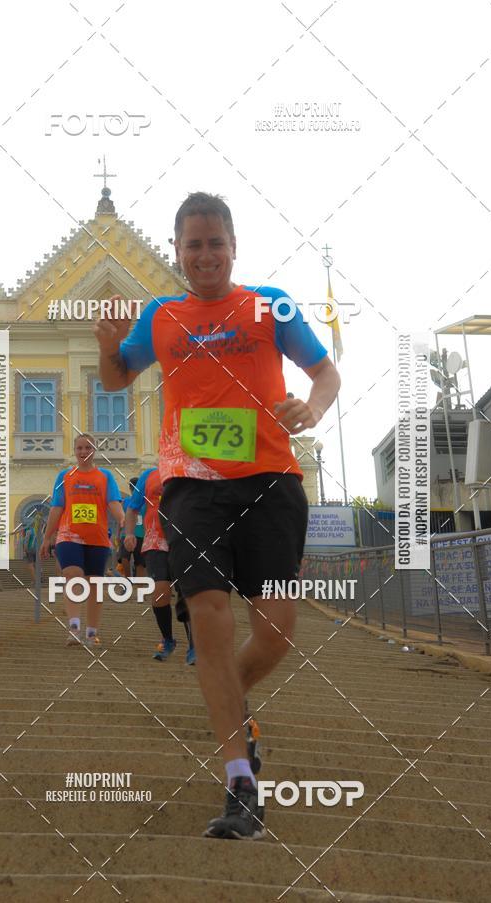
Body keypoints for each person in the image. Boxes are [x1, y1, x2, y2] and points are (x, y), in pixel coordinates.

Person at [95, 192, 340, 840]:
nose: (204, 255)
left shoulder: (270, 305)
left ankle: (232, 704)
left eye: (215, 243)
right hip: (192, 486)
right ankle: (240, 780)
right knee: (208, 615)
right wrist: (109, 348)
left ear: (234, 246)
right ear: (177, 251)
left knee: (277, 629)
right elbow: (117, 378)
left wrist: (313, 407)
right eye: (193, 245)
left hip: (272, 480)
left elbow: (325, 373)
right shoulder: (161, 314)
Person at [39, 433, 124, 648]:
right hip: (69, 535)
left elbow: (113, 502)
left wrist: (123, 520)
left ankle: (92, 632)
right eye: (79, 448)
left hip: (98, 537)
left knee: (94, 584)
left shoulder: (105, 476)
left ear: (94, 450)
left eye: (88, 448)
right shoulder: (65, 476)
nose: (84, 452)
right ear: (74, 451)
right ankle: (74, 628)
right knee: (73, 574)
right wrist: (47, 537)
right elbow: (57, 507)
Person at [124, 466, 195, 665]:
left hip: (186, 541)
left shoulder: (192, 470)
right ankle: (167, 639)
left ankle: (195, 646)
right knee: (160, 592)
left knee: (188, 593)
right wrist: (129, 533)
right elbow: (133, 508)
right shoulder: (149, 475)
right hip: (156, 540)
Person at [118, 477, 147, 582]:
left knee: (128, 559)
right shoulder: (144, 502)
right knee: (137, 560)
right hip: (135, 534)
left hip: (132, 534)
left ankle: (131, 581)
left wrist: (118, 534)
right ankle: (134, 581)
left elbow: (121, 519)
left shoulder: (128, 502)